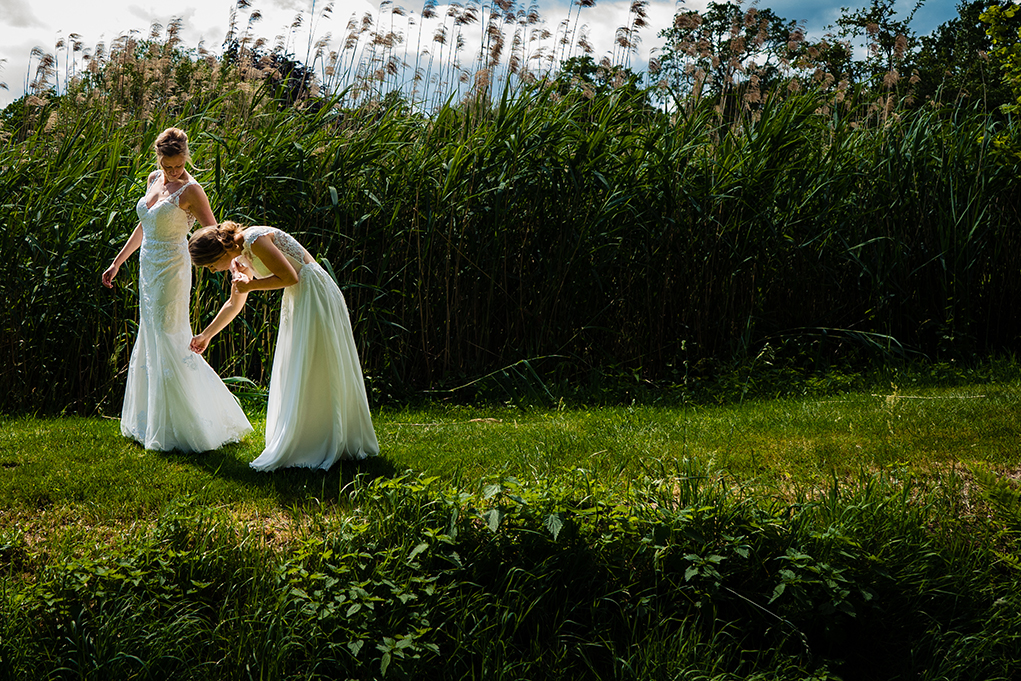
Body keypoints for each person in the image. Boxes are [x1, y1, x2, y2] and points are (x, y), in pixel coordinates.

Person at [102, 127, 252, 452]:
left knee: (170, 334)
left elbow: (214, 233)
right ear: (159, 158)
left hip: (173, 268)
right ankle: (151, 419)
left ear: (186, 157)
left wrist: (236, 264)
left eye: (179, 165)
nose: (173, 171)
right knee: (152, 334)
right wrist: (117, 262)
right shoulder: (153, 179)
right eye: (168, 165)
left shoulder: (192, 190)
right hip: (147, 266)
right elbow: (145, 225)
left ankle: (192, 422)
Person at [188, 221, 379, 471]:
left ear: (218, 253)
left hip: (314, 293)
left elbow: (290, 276)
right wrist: (207, 334)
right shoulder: (239, 257)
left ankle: (330, 439)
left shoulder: (253, 240)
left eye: (211, 265)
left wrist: (252, 284)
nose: (213, 271)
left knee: (317, 364)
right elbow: (235, 304)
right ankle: (311, 436)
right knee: (303, 365)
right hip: (300, 297)